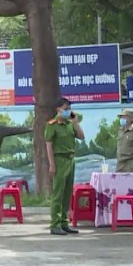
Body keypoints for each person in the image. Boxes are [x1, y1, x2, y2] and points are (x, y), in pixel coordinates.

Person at [45, 98, 84, 235]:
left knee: (67, 193)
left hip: (70, 160)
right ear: (58, 109)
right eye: (65, 109)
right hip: (59, 160)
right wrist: (52, 165)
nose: (68, 111)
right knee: (58, 193)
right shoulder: (52, 125)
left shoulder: (70, 124)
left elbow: (81, 136)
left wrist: (76, 122)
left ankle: (64, 222)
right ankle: (55, 224)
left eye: (69, 109)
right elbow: (49, 146)